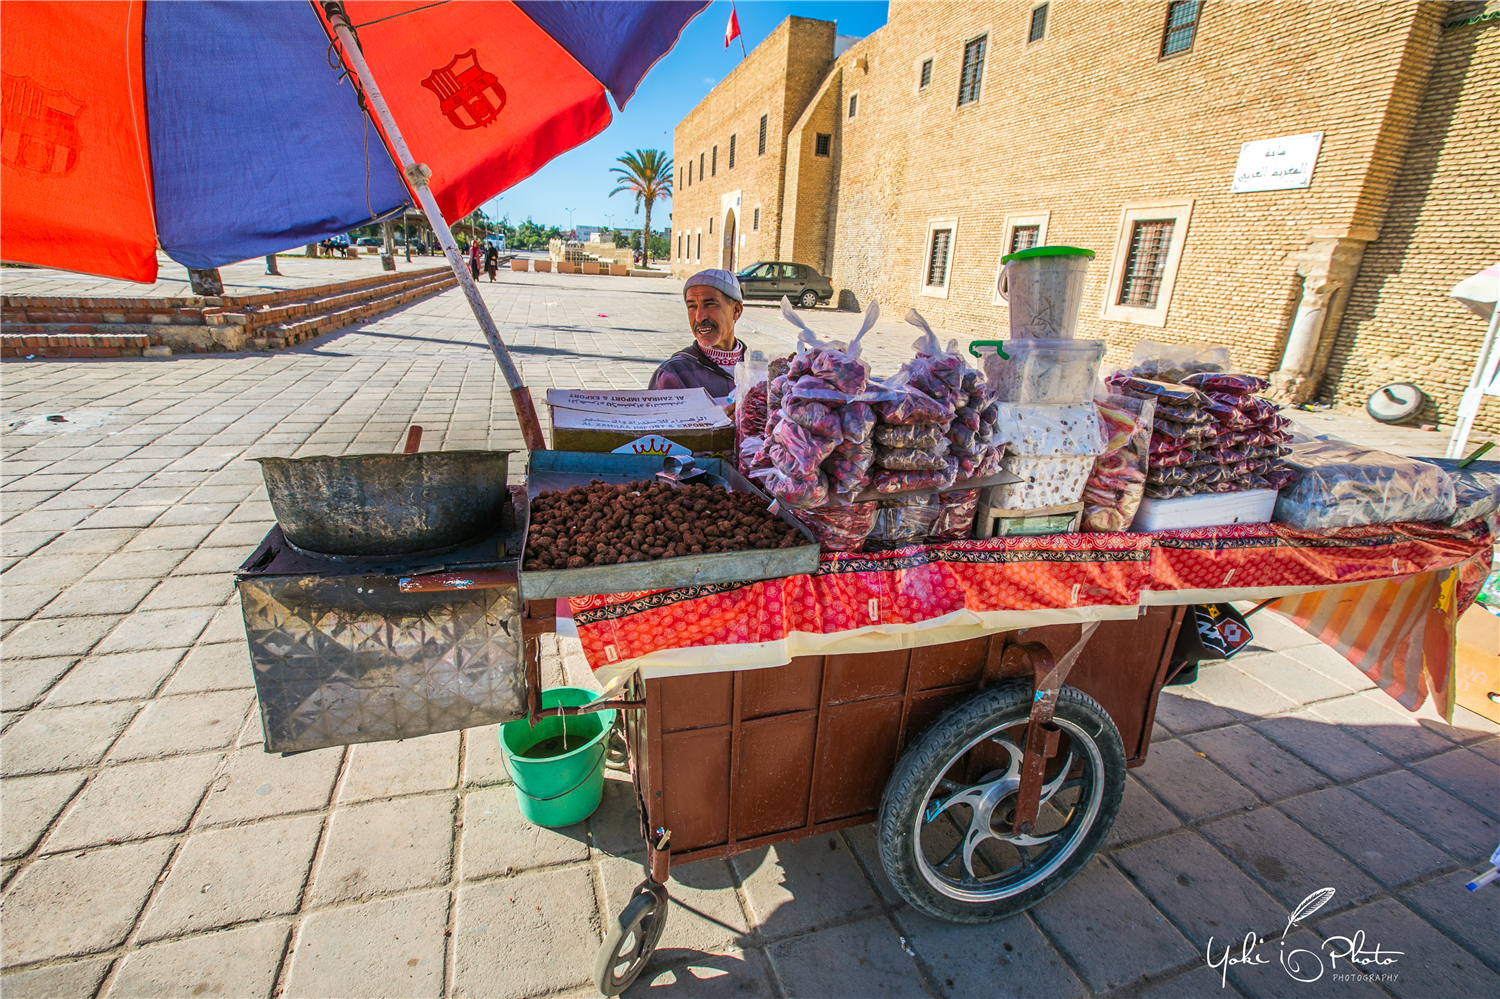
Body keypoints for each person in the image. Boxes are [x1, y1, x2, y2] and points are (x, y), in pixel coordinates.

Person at [649, 269, 745, 402]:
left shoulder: (760, 369)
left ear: (736, 310)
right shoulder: (674, 373)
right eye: (692, 307)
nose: (699, 317)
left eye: (710, 304)